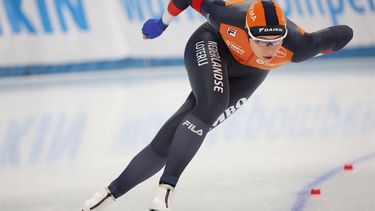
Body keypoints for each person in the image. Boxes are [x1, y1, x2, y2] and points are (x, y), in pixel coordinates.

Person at [82, 0, 353, 210]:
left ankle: (109, 193)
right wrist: (162, 22)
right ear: (247, 32)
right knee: (213, 102)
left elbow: (345, 33)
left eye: (275, 41)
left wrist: (319, 48)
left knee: (177, 134)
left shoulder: (300, 46)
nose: (269, 49)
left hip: (250, 75)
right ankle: (167, 187)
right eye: (260, 41)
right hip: (212, 44)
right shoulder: (225, 16)